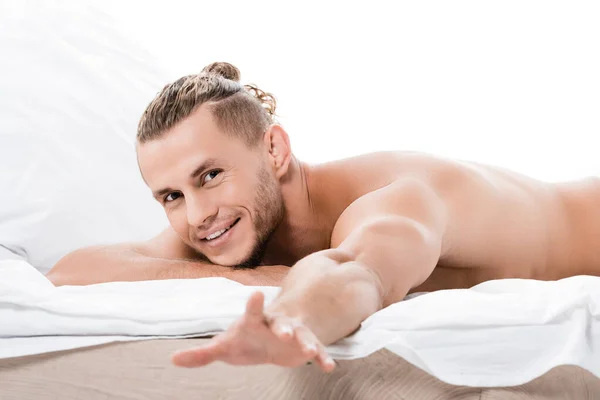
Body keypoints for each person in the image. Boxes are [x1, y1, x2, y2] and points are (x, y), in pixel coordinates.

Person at [46, 62, 600, 373]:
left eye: (210, 175)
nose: (196, 215)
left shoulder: (391, 197)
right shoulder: (225, 222)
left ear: (275, 150)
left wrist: (291, 323)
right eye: (170, 195)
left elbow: (360, 272)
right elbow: (74, 270)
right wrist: (241, 276)